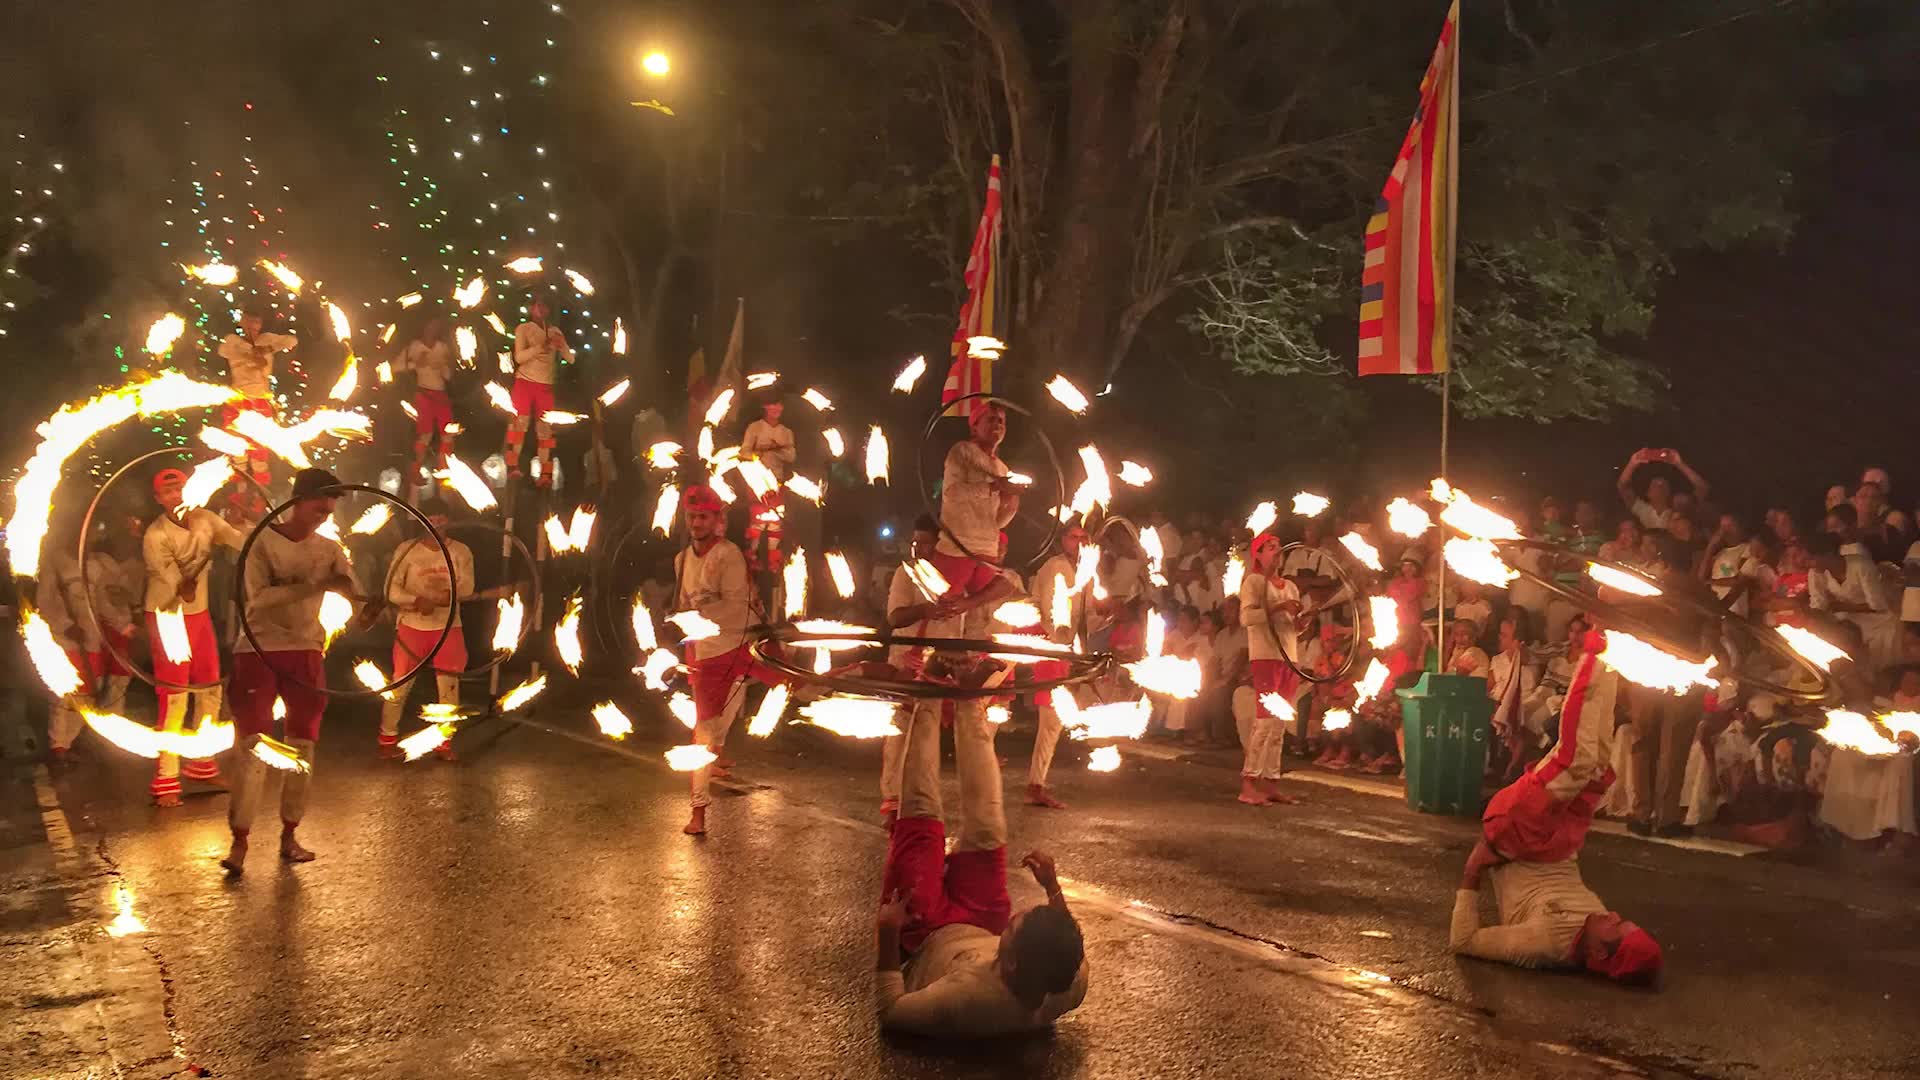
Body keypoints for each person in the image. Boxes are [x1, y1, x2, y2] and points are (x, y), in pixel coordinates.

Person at [874, 699, 1088, 1036]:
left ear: (1013, 961)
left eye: (1012, 928)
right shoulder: (1068, 984)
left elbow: (891, 1013)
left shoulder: (968, 999)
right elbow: (1072, 941)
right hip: (979, 920)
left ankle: (929, 693)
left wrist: (887, 934)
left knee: (921, 819)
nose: (1012, 920)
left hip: (925, 935)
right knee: (989, 830)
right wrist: (1052, 887)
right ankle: (970, 701)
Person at [224, 468, 369, 872]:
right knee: (254, 745)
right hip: (258, 649)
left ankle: (290, 836)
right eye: (319, 503)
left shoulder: (330, 549)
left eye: (331, 505)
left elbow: (357, 602)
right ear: (297, 500)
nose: (325, 511)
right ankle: (240, 841)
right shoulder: (260, 543)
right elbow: (255, 601)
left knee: (303, 746)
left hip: (306, 651)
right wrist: (314, 586)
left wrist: (375, 605)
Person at [675, 485, 782, 836]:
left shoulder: (729, 554)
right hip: (708, 654)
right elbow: (683, 607)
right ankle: (699, 811)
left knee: (801, 687)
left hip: (746, 643)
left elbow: (734, 607)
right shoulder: (682, 560)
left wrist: (694, 614)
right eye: (692, 516)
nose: (696, 523)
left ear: (717, 520)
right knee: (703, 731)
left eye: (703, 516)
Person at [143, 468, 248, 804]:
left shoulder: (205, 519)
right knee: (175, 698)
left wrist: (249, 525)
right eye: (169, 491)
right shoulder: (155, 536)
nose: (177, 496)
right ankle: (166, 780)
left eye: (181, 489)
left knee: (210, 688)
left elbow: (239, 541)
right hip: (168, 616)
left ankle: (202, 766)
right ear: (159, 499)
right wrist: (186, 581)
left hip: (199, 616)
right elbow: (180, 588)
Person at [1449, 836, 1663, 983]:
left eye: (1616, 924)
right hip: (1553, 836)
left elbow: (1463, 941)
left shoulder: (1544, 942)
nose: (1613, 914)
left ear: (1599, 952)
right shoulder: (1596, 918)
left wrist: (1473, 869)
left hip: (1512, 842)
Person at [378, 497, 475, 760]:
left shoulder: (461, 551)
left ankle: (444, 742)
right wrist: (415, 601)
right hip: (412, 626)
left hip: (448, 628)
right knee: (400, 684)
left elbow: (466, 587)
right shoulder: (406, 550)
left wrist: (446, 596)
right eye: (430, 519)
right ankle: (387, 739)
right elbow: (391, 589)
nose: (435, 526)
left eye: (441, 520)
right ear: (421, 520)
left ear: (449, 522)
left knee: (448, 687)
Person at [929, 402, 1021, 622]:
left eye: (1001, 421)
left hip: (987, 548)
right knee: (942, 612)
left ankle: (976, 654)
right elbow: (952, 493)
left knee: (988, 611)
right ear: (974, 427)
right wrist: (994, 487)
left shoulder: (1003, 468)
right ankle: (920, 653)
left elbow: (997, 522)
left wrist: (1011, 503)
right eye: (990, 419)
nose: (997, 425)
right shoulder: (962, 451)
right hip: (957, 545)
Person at [880, 515, 945, 820]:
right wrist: (925, 609)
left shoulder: (948, 576)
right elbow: (895, 618)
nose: (919, 548)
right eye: (916, 542)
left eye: (926, 543)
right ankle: (892, 799)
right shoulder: (905, 575)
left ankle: (920, 802)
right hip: (905, 660)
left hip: (935, 665)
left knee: (927, 732)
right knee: (899, 729)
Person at [1025, 522, 1089, 809]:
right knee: (1051, 719)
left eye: (1082, 537)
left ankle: (1036, 782)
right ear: (1063, 539)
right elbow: (1051, 611)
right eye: (1073, 537)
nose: (1078, 542)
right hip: (1052, 647)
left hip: (1063, 650)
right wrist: (1061, 644)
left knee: (1052, 721)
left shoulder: (1083, 569)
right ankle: (1035, 784)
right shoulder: (1055, 567)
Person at [1237, 534, 1303, 805]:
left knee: (1279, 724)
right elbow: (1246, 617)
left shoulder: (1291, 586)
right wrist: (1277, 608)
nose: (1277, 553)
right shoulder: (1253, 582)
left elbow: (1293, 627)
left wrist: (1303, 620)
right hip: (1265, 657)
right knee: (1265, 720)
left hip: (1289, 657)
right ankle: (1249, 783)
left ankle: (1271, 781)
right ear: (1258, 555)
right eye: (1271, 548)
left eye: (1279, 548)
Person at [217, 309, 298, 506]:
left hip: (260, 400)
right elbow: (223, 351)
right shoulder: (233, 340)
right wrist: (249, 352)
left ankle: (260, 498)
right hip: (237, 400)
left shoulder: (267, 339)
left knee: (260, 451)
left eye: (256, 322)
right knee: (238, 450)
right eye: (249, 321)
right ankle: (240, 496)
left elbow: (292, 341)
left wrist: (267, 349)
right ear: (242, 321)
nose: (253, 326)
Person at [1807, 531, 1899, 675]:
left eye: (1813, 558)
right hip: (1846, 618)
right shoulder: (1816, 573)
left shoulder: (1860, 565)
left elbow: (1877, 605)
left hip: (1879, 619)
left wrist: (1843, 607)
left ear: (1829, 553)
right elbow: (1818, 604)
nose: (1809, 563)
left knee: (1885, 640)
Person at [505, 298, 573, 486]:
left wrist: (561, 345)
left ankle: (546, 473)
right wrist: (541, 347)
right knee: (520, 424)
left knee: (545, 429)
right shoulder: (523, 329)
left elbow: (571, 358)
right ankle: (512, 466)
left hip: (545, 385)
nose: (541, 309)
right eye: (537, 305)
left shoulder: (555, 331)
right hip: (524, 382)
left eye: (544, 305)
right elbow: (519, 357)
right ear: (531, 308)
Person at [394, 318, 457, 485]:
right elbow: (396, 366)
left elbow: (449, 375)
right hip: (423, 394)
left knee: (448, 433)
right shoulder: (414, 347)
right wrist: (416, 363)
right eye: (430, 326)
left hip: (441, 395)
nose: (432, 330)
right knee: (425, 434)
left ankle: (444, 468)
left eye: (436, 327)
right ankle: (415, 472)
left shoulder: (442, 348)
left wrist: (443, 366)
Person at [1616, 447, 1709, 532]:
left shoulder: (1678, 510)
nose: (1659, 487)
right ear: (1648, 493)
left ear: (1669, 492)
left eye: (1663, 485)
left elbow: (1702, 488)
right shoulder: (1642, 509)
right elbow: (1622, 486)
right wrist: (1632, 463)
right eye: (1655, 485)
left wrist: (1680, 464)